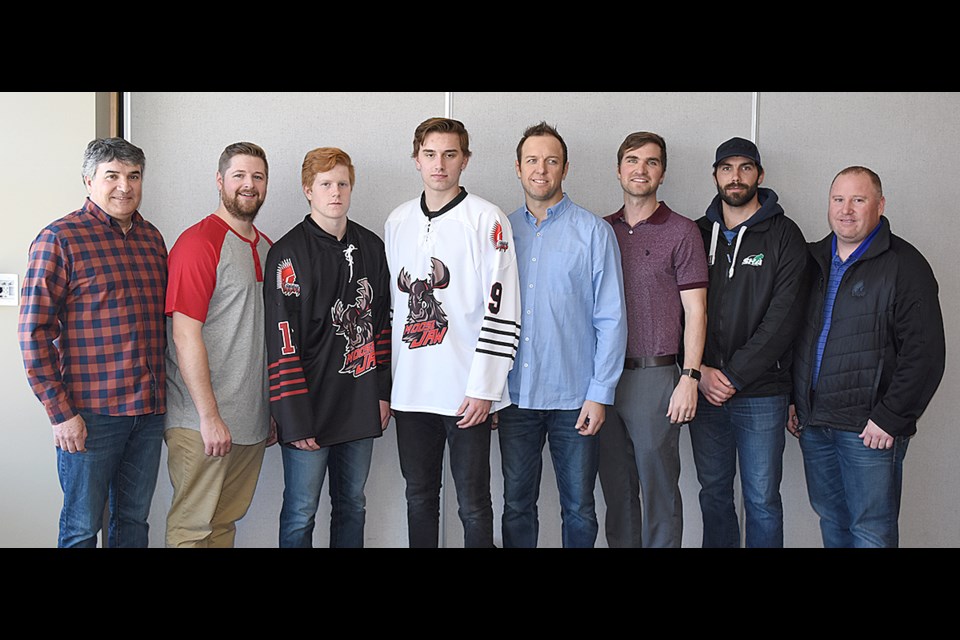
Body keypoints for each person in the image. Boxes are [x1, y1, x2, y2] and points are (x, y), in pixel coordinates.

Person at [18, 137, 167, 548]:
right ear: (89, 180)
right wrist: (60, 413)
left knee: (134, 523)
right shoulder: (59, 239)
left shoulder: (152, 240)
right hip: (89, 416)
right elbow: (34, 334)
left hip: (148, 413)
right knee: (82, 527)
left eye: (133, 176)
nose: (125, 186)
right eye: (112, 176)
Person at [788, 166, 945, 548]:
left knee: (871, 531)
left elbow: (925, 354)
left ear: (880, 205)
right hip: (815, 423)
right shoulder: (810, 260)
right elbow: (795, 337)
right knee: (832, 522)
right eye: (838, 199)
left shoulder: (905, 265)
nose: (846, 210)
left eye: (858, 200)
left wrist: (889, 417)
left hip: (869, 432)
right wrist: (795, 399)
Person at [384, 117, 521, 548]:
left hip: (466, 394)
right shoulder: (397, 221)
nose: (438, 164)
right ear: (416, 159)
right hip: (411, 393)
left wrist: (486, 388)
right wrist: (389, 387)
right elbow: (392, 310)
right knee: (419, 497)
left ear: (465, 159)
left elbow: (504, 309)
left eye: (449, 154)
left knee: (473, 503)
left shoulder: (487, 218)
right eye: (429, 154)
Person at [498, 121, 627, 548]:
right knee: (516, 504)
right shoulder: (497, 233)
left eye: (551, 160)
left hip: (576, 399)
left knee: (579, 507)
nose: (541, 169)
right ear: (518, 168)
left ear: (565, 168)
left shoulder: (593, 232)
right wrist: (489, 387)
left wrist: (600, 392)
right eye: (532, 160)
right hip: (515, 396)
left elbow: (610, 319)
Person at [264, 147, 392, 548]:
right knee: (301, 511)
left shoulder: (372, 247)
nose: (335, 192)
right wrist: (294, 418)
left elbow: (382, 327)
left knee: (352, 504)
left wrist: (383, 394)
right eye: (325, 184)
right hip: (308, 407)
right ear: (308, 189)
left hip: (359, 400)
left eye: (342, 183)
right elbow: (280, 342)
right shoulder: (286, 254)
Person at [689, 136, 807, 548]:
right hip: (705, 391)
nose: (735, 177)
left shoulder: (785, 235)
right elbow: (680, 311)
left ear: (759, 174)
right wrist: (699, 372)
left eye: (745, 168)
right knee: (713, 494)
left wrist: (734, 375)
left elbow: (784, 318)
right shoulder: (696, 233)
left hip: (762, 392)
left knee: (761, 499)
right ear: (716, 175)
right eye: (726, 168)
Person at [597, 131, 708, 548]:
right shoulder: (601, 230)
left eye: (651, 162)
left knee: (659, 491)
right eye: (632, 160)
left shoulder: (681, 231)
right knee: (617, 492)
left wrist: (690, 377)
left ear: (662, 172)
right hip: (606, 380)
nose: (640, 169)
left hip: (656, 377)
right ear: (618, 168)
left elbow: (697, 310)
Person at [163, 141, 276, 548]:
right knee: (192, 529)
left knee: (224, 524)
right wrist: (209, 417)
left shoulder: (265, 247)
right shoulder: (199, 243)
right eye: (239, 176)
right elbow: (184, 334)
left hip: (249, 420)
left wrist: (270, 411)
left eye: (257, 177)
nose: (249, 185)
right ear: (220, 181)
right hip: (202, 422)